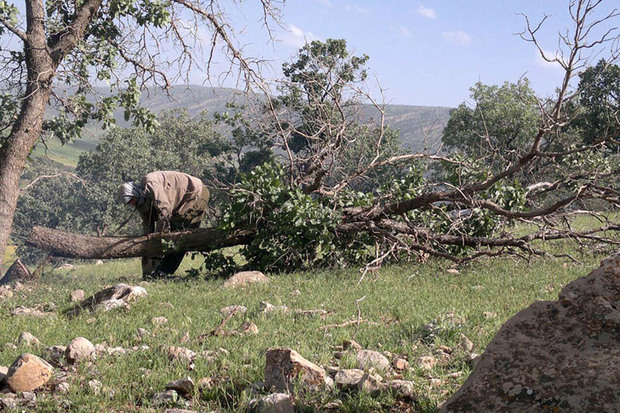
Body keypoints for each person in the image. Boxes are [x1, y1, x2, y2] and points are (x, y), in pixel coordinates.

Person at [119, 171, 210, 279]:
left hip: (196, 193)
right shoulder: (141, 201)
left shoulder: (150, 183)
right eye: (130, 203)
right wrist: (148, 244)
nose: (132, 203)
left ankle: (164, 271)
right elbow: (147, 225)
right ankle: (156, 271)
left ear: (136, 192)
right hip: (180, 203)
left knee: (180, 235)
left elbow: (165, 211)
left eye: (132, 200)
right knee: (171, 234)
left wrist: (158, 240)